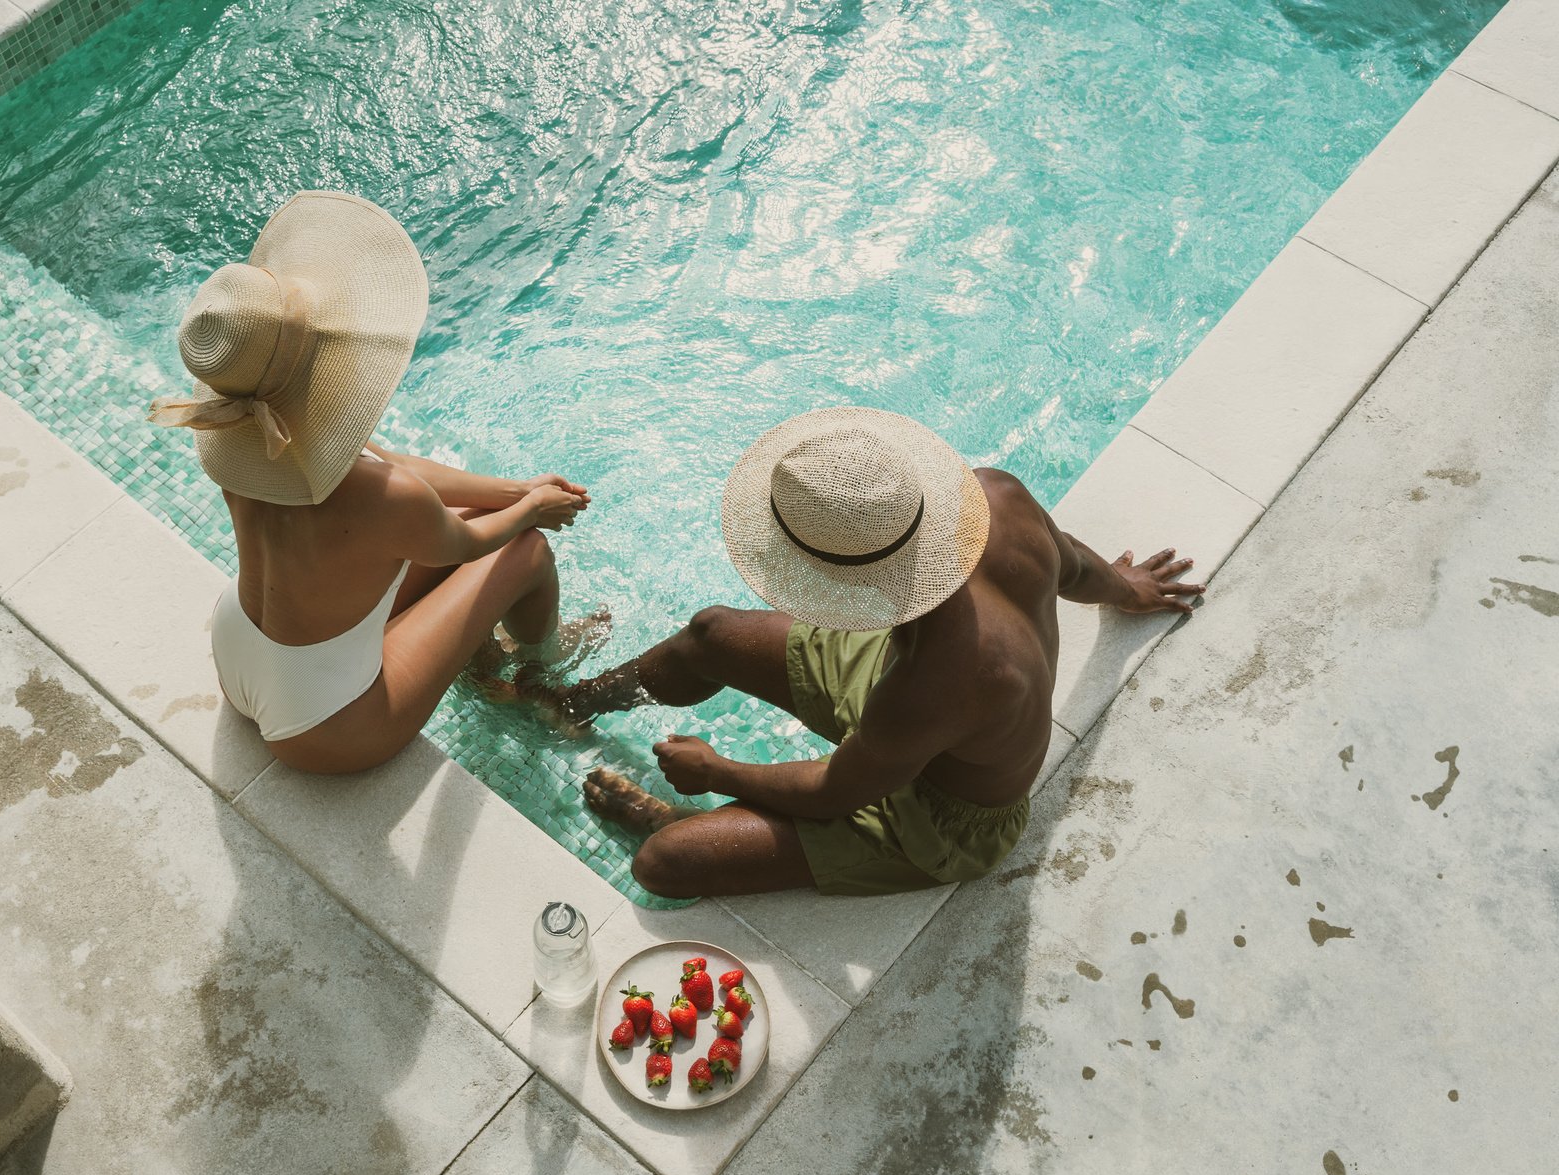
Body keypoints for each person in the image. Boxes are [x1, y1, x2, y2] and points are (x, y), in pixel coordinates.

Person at [536, 407, 1202, 898]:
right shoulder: (994, 498)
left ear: (848, 585)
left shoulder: (935, 684)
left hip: (944, 817)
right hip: (902, 695)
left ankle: (681, 818)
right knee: (713, 634)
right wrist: (1128, 589)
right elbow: (1075, 566)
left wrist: (718, 771)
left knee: (666, 862)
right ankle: (569, 705)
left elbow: (833, 791)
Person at [149, 191, 593, 773]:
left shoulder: (241, 437)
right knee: (526, 552)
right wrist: (532, 511)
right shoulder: (383, 498)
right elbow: (467, 544)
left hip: (236, 654)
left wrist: (517, 490)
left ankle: (478, 650)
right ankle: (545, 671)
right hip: (323, 725)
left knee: (477, 529)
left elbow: (394, 466)